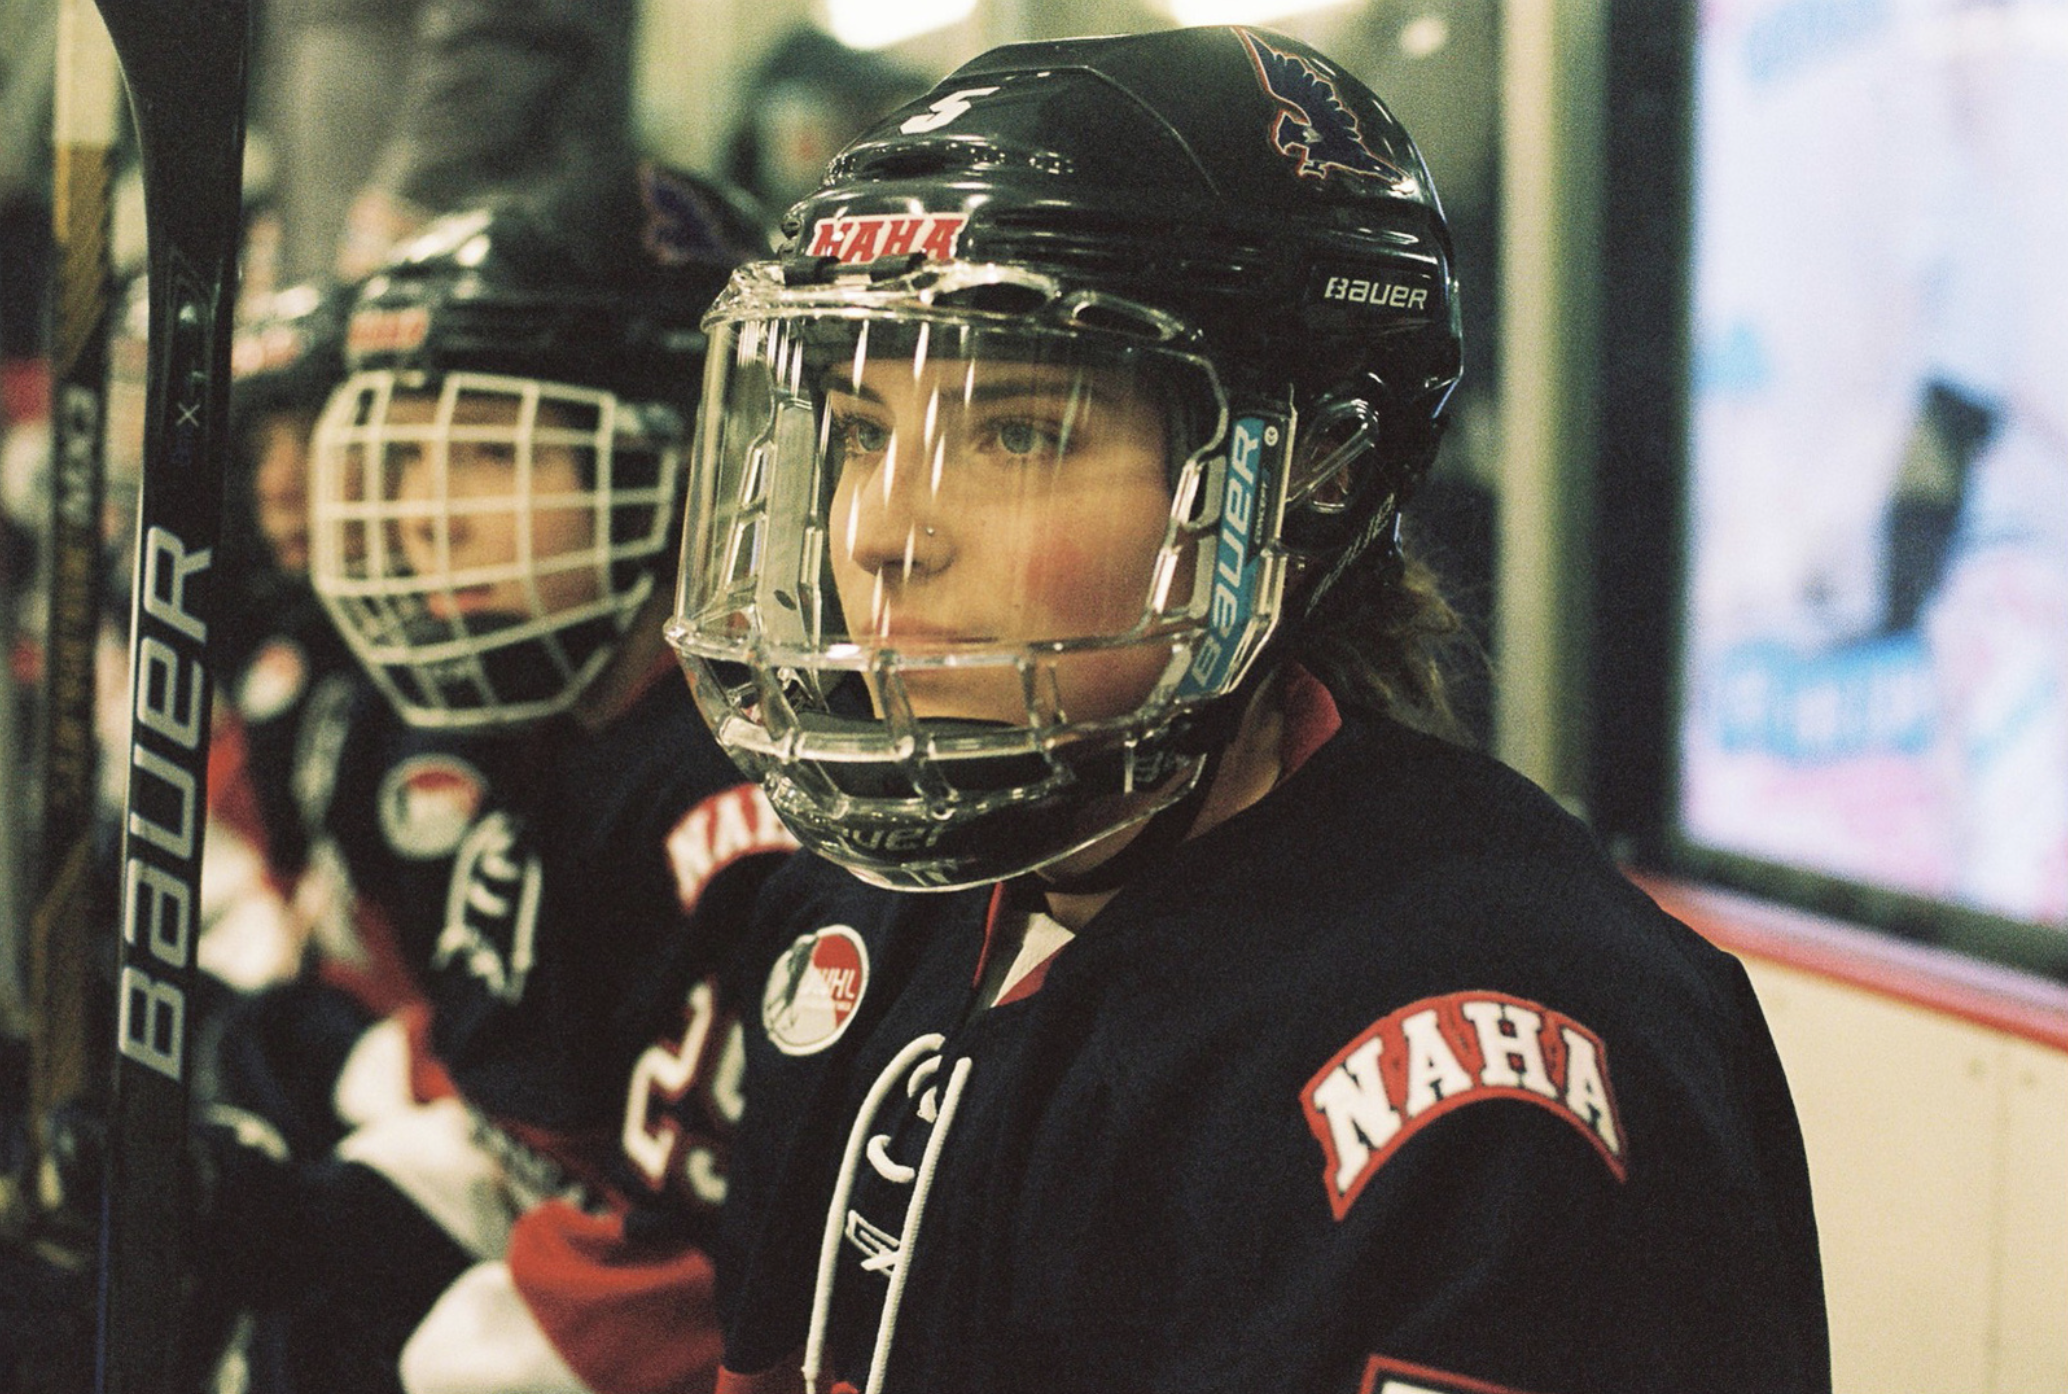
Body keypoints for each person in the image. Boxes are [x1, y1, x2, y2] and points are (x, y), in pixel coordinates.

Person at [665, 26, 1831, 1394]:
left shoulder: (1487, 1049)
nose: (877, 530)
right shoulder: (862, 911)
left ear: (1311, 468)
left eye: (1016, 432)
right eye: (862, 431)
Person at [194, 162, 796, 1394]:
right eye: (407, 458)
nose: (423, 515)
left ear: (693, 457)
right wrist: (298, 1212)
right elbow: (532, 1138)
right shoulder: (548, 733)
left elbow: (710, 1286)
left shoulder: (742, 809)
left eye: (482, 449)